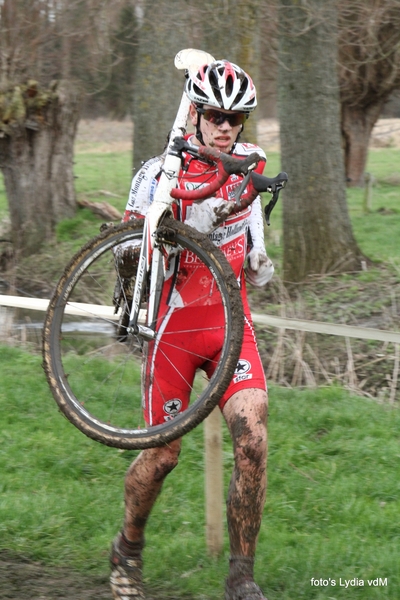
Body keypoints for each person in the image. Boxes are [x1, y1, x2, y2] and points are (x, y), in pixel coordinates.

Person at [110, 59, 273, 600]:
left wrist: (258, 257)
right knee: (162, 457)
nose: (225, 126)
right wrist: (168, 233)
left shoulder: (247, 170)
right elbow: (128, 257)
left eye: (235, 118)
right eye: (214, 115)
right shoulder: (157, 175)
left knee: (253, 441)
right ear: (195, 114)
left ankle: (240, 577)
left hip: (231, 325)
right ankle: (128, 548)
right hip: (175, 330)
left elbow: (252, 251)